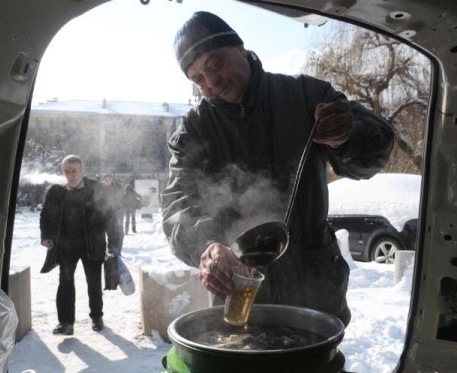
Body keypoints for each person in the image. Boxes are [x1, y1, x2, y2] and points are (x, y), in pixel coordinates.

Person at [160, 11, 395, 327]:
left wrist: (348, 135)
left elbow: (376, 152)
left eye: (214, 65)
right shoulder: (193, 132)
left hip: (317, 290)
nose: (211, 82)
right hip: (238, 294)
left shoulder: (306, 96)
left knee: (316, 372)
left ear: (240, 48)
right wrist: (209, 246)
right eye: (198, 78)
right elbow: (177, 210)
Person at [40, 155, 118, 335]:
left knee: (94, 283)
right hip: (66, 246)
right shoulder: (56, 191)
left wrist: (113, 244)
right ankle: (66, 323)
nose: (71, 175)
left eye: (74, 171)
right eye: (67, 171)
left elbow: (110, 216)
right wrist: (46, 236)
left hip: (92, 244)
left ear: (82, 171)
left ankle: (97, 317)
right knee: (65, 282)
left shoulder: (97, 189)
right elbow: (45, 216)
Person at [102, 173, 125, 256]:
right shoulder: (104, 188)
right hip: (109, 212)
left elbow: (119, 198)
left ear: (112, 179)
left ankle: (117, 250)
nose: (106, 181)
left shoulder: (116, 187)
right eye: (105, 180)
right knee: (111, 231)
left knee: (119, 230)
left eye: (108, 179)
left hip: (118, 210)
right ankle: (112, 250)